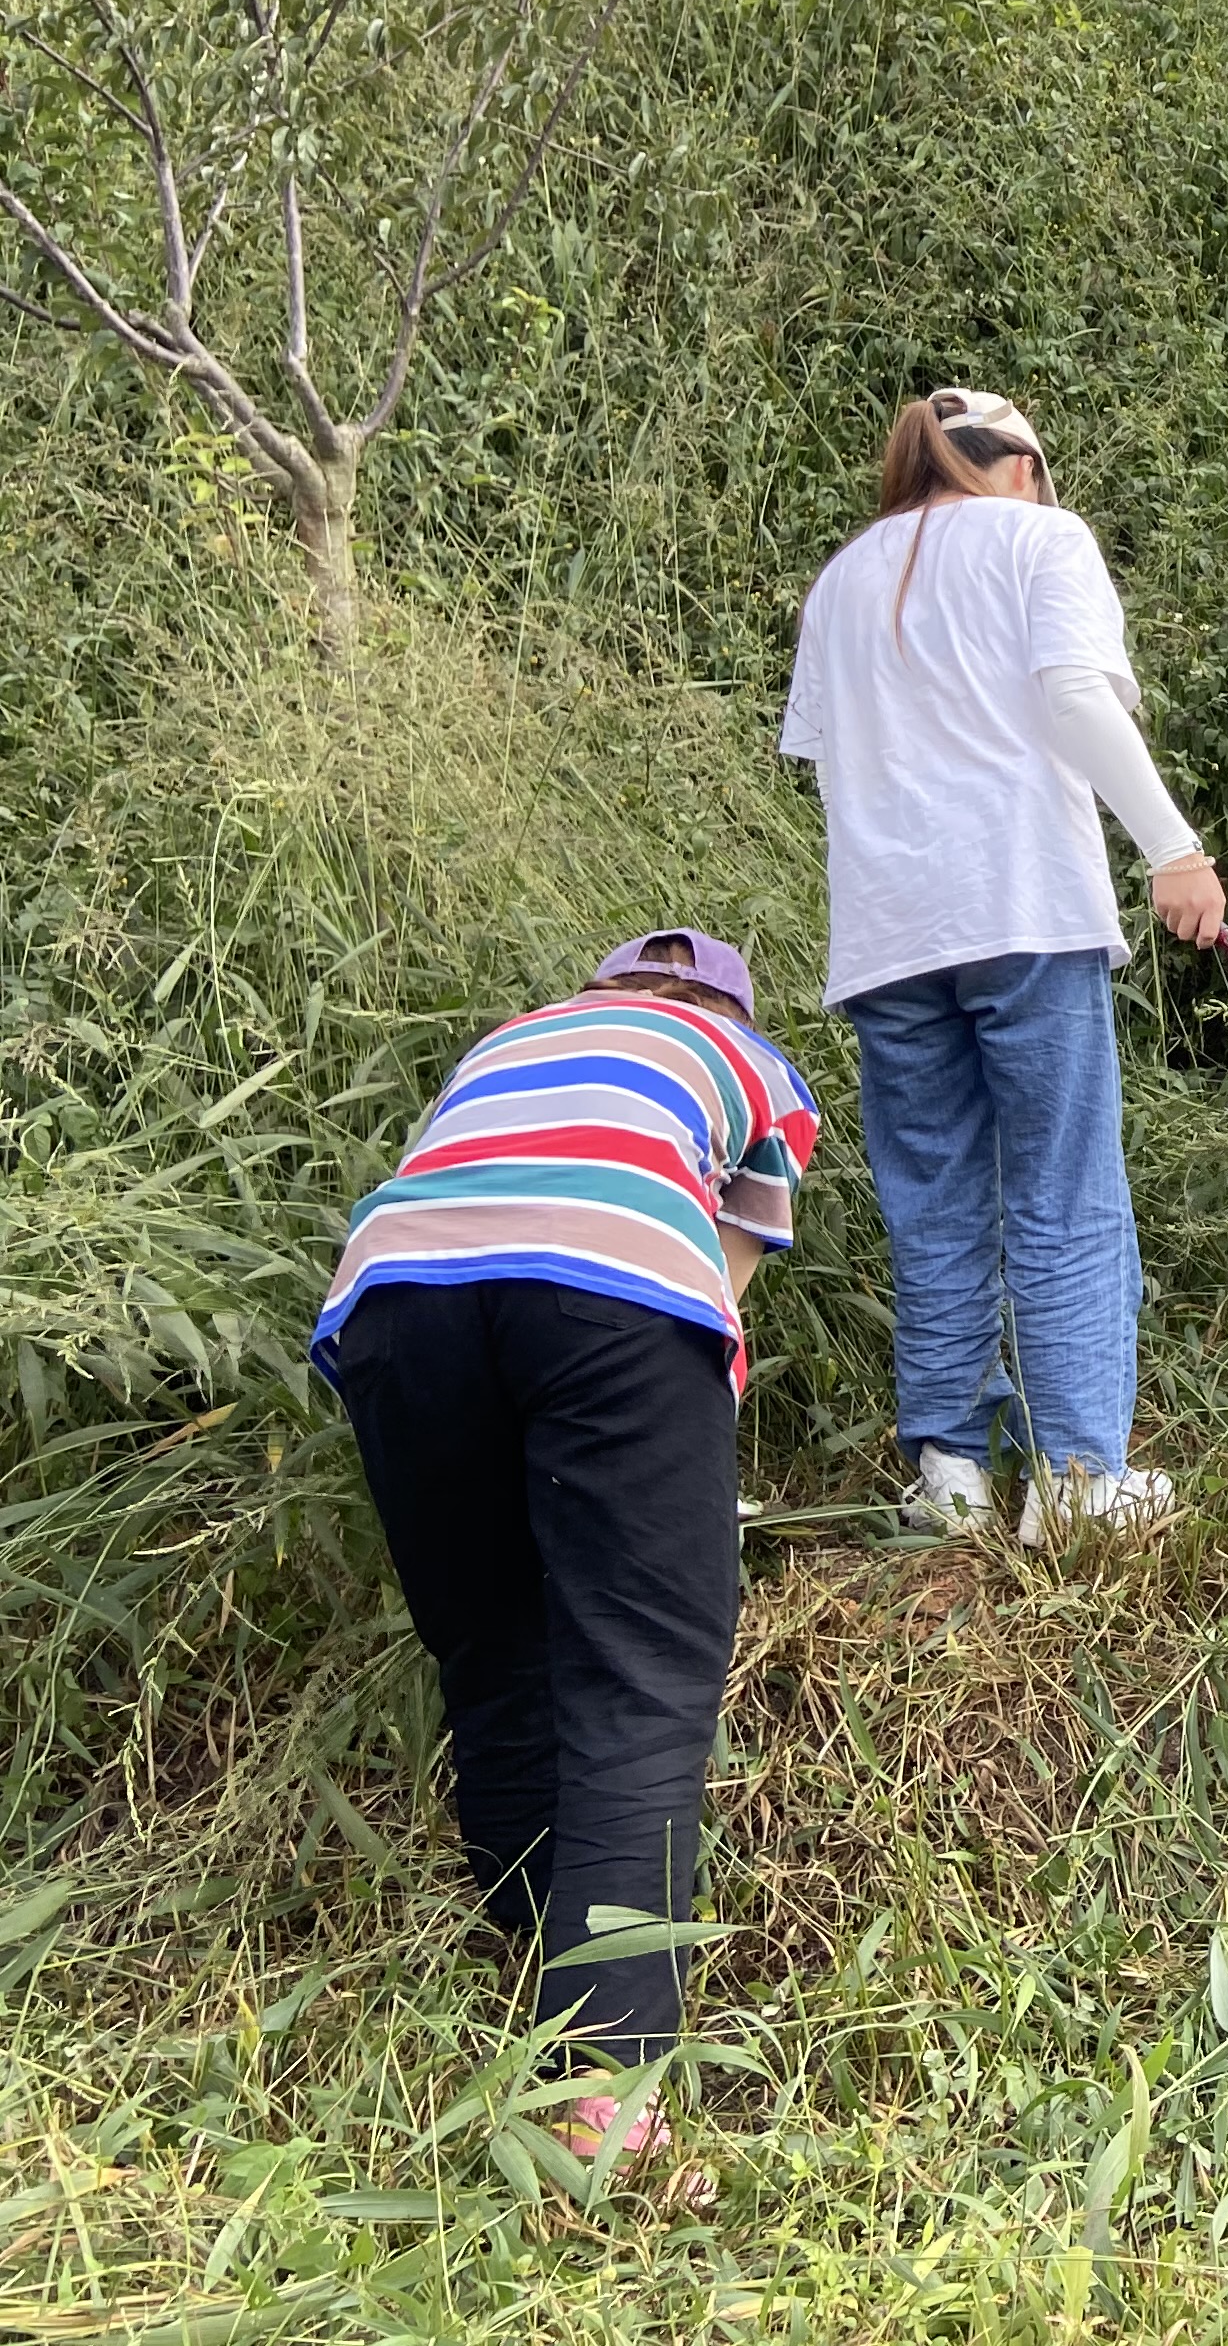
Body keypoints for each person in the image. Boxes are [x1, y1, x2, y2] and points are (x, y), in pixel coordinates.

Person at [312, 930, 822, 2176]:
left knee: (496, 1655)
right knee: (640, 1678)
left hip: (394, 1291)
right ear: (724, 1002)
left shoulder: (510, 1042)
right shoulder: (755, 1064)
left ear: (602, 994)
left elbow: (481, 1198)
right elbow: (717, 1278)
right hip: (614, 1277)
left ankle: (533, 1993)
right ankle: (607, 2098)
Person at [782, 389, 1225, 1544]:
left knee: (932, 1197)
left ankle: (952, 1477)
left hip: (887, 935)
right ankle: (1078, 1485)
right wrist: (1172, 849)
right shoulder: (1041, 539)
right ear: (1021, 467)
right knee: (1065, 1186)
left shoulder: (840, 582)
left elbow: (830, 770)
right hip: (1023, 905)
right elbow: (1074, 698)